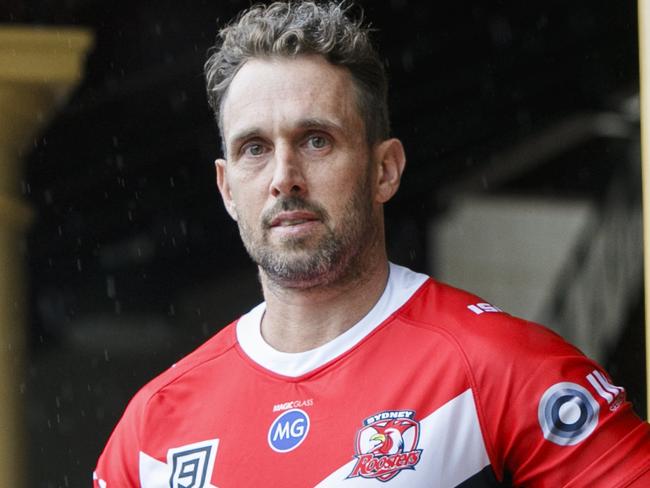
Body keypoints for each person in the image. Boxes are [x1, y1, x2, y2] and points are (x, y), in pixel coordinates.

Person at [93, 2, 650, 487]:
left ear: (385, 170)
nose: (284, 176)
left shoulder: (500, 369)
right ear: (227, 189)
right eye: (254, 148)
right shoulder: (153, 428)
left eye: (316, 140)